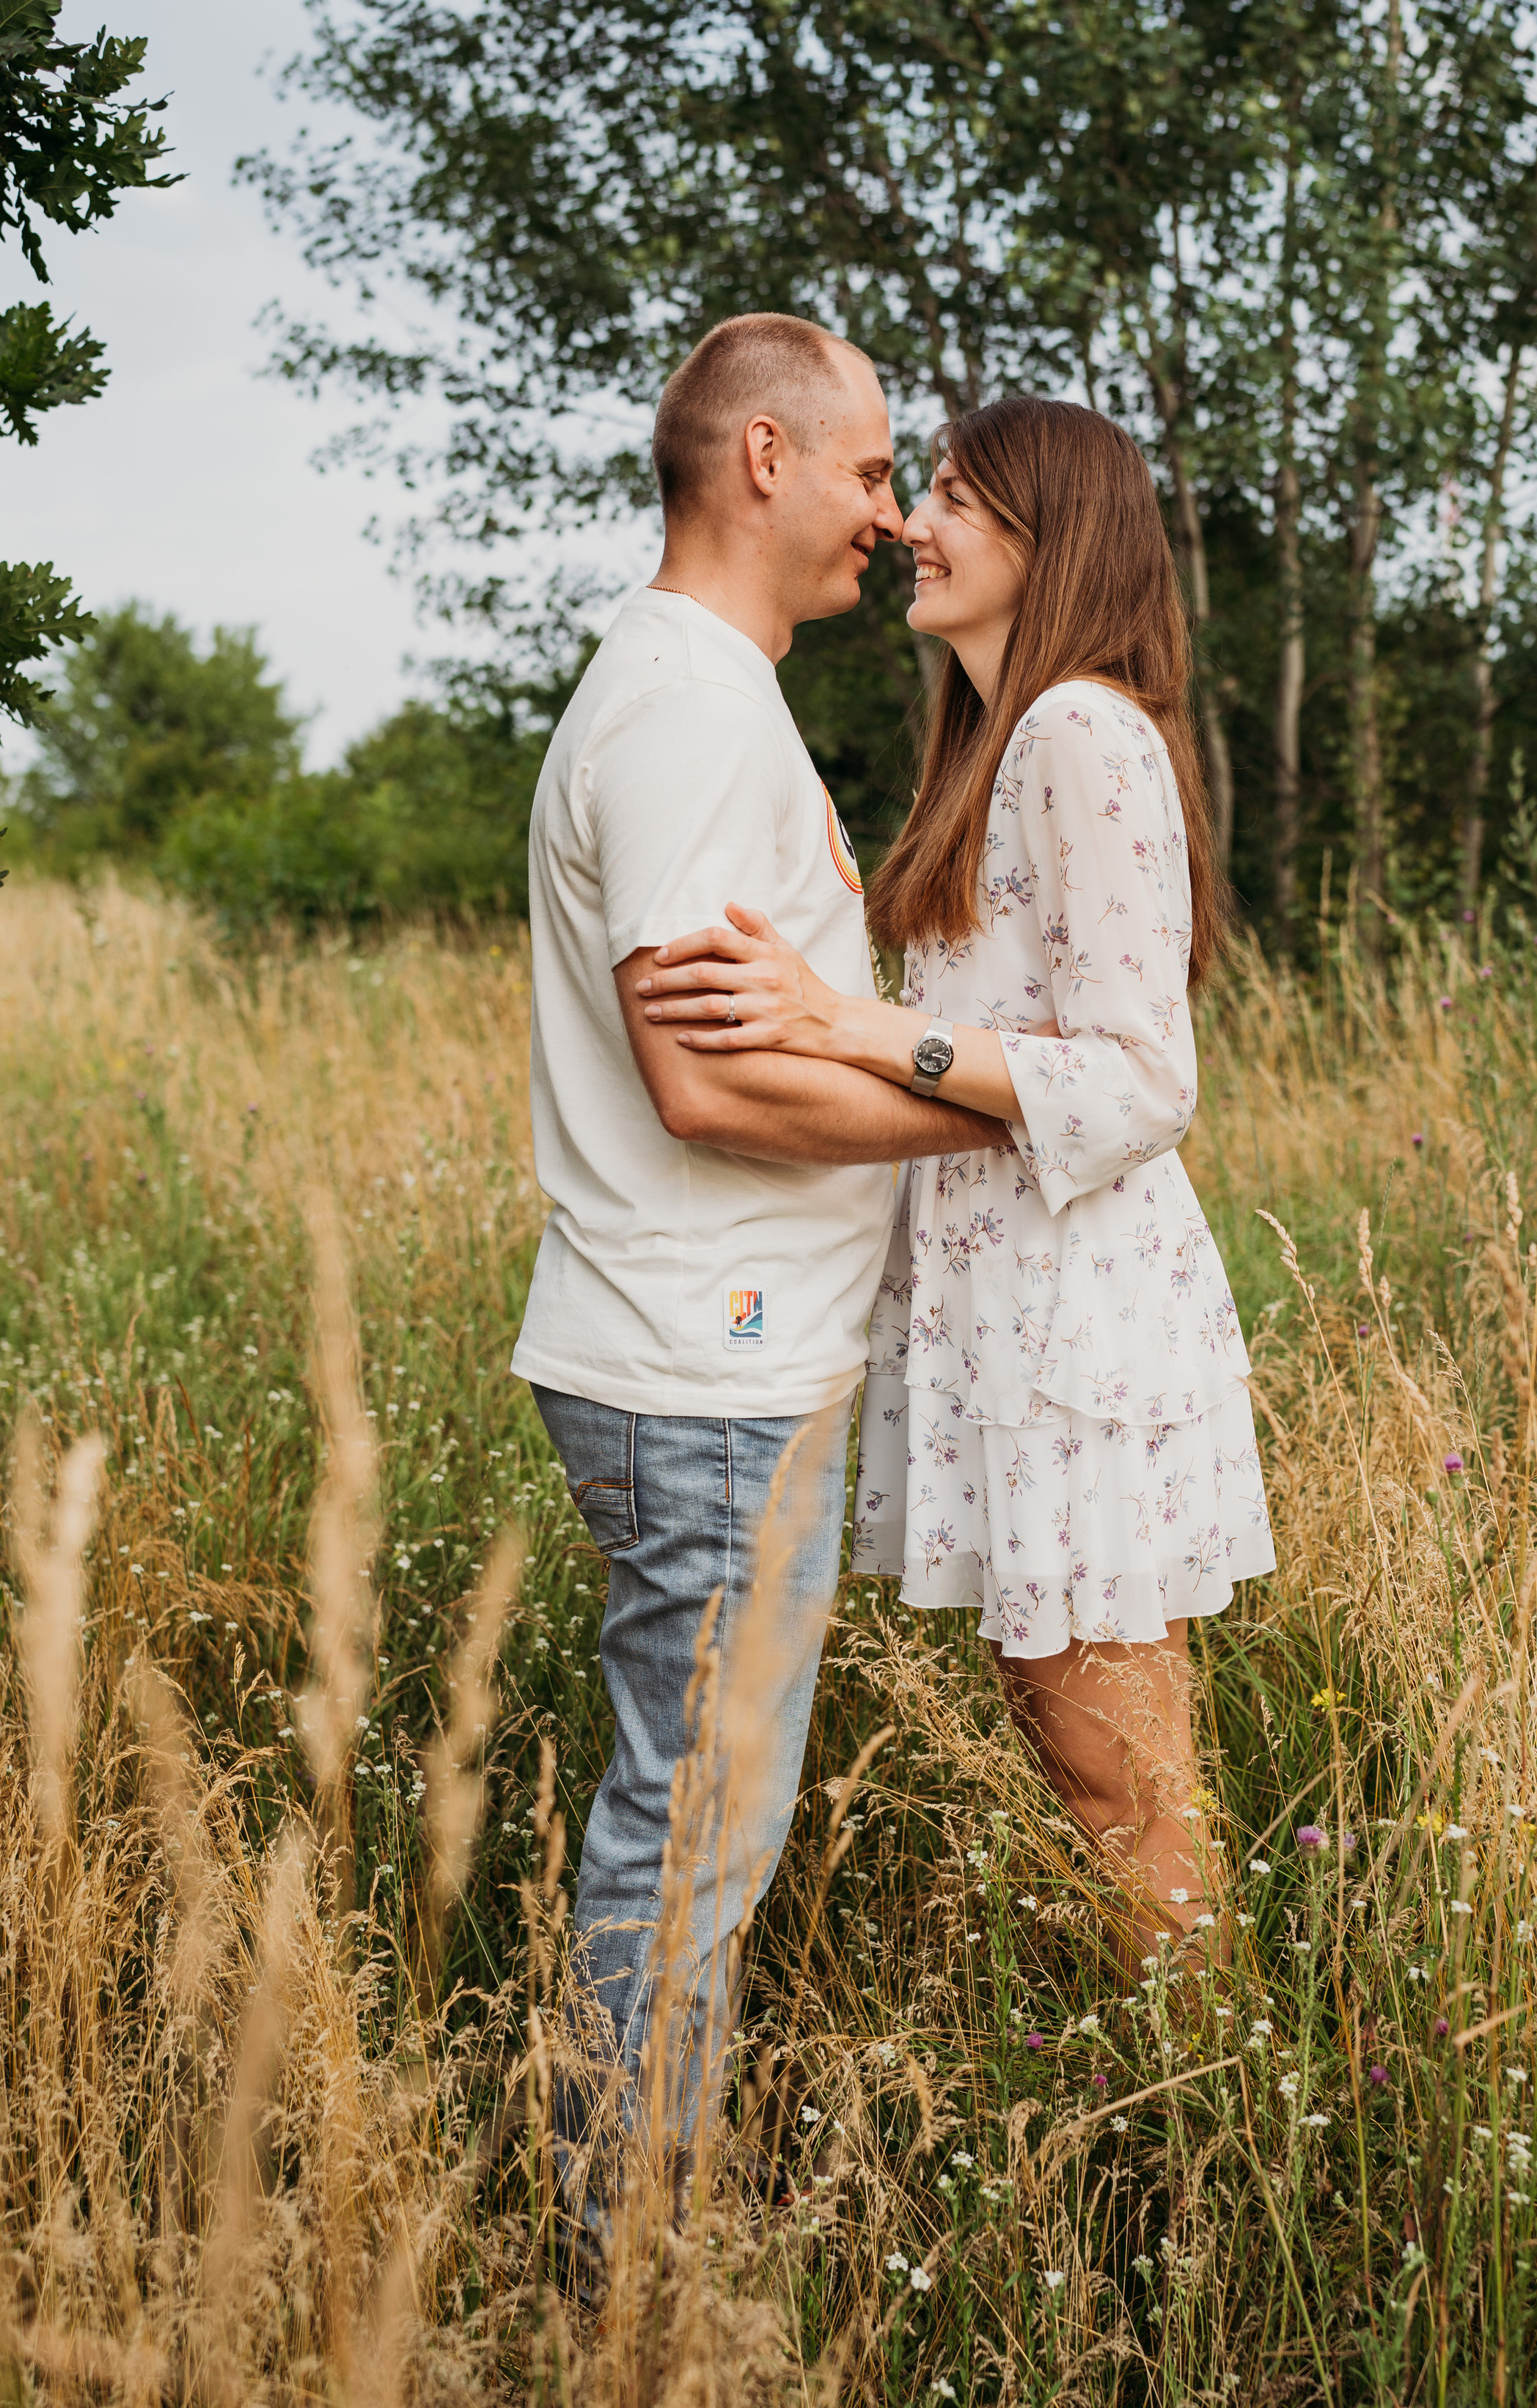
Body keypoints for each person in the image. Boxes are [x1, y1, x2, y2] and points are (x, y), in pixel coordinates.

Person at [635, 394, 1276, 1958]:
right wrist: (852, 1011)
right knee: (1093, 1765)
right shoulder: (998, 741)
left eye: (949, 498)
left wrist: (849, 1026)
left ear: (1048, 542)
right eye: (914, 489)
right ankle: (1215, 2083)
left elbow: (1141, 1083)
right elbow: (993, 1034)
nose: (912, 524)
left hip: (1077, 1340)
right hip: (1007, 1331)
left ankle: (1225, 2119)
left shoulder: (1077, 731)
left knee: (1114, 1777)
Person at [511, 314, 1005, 2200]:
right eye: (874, 470)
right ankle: (610, 2274)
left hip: (722, 1365)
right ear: (766, 461)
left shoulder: (711, 696)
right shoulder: (683, 711)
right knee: (690, 1841)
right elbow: (705, 1090)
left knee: (700, 1827)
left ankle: (613, 2231)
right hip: (700, 1373)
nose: (889, 516)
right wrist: (991, 1114)